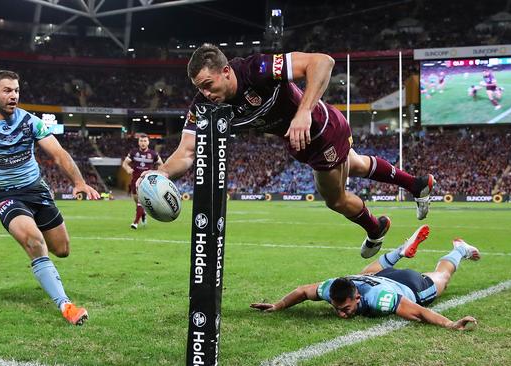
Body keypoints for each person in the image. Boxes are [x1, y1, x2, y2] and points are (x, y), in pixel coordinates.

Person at [141, 44, 435, 258]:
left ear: (226, 71)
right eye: (199, 88)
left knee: (335, 199)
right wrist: (160, 173)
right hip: (299, 142)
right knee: (356, 165)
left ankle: (376, 228)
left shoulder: (255, 69)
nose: (205, 93)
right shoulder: (204, 106)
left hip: (321, 130)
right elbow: (187, 151)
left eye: (208, 84)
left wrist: (303, 112)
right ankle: (416, 183)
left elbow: (322, 62)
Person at [0, 70, 101, 326]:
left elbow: (58, 153)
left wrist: (79, 182)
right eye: (7, 90)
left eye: (16, 90)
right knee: (34, 242)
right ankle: (66, 306)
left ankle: (40, 258)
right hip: (5, 195)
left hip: (36, 190)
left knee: (62, 250)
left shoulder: (29, 121)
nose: (14, 96)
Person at [250, 225, 481, 330]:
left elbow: (419, 312)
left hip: (410, 284)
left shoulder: (382, 300)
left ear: (357, 298)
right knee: (361, 275)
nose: (341, 314)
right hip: (379, 276)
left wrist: (450, 324)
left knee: (441, 276)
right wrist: (278, 305)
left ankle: (459, 249)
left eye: (346, 309)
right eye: (338, 309)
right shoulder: (331, 289)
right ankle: (399, 251)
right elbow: (302, 291)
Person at [121, 134, 163, 229]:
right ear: (138, 142)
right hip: (135, 180)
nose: (143, 143)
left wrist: (156, 173)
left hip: (146, 182)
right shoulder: (133, 152)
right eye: (141, 141)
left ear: (148, 142)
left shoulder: (153, 154)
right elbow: (125, 163)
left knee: (140, 202)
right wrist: (128, 169)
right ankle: (143, 214)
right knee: (138, 202)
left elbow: (161, 165)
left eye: (144, 141)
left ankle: (135, 223)